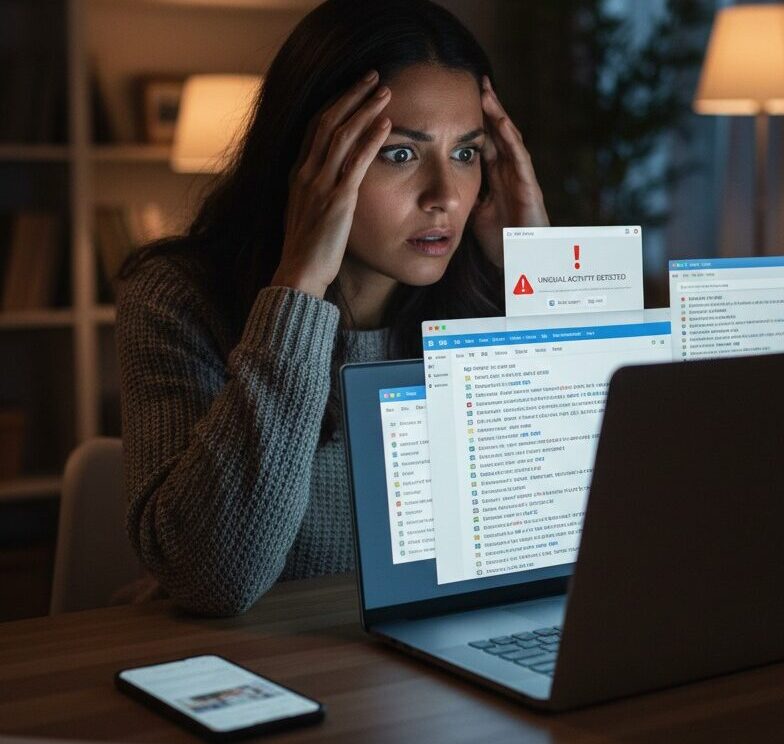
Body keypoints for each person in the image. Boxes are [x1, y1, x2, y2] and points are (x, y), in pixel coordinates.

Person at [116, 0, 548, 616]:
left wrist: (542, 267)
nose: (445, 198)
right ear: (309, 160)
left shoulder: (485, 301)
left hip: (420, 663)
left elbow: (581, 531)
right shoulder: (177, 298)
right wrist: (298, 288)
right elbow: (214, 579)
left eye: (466, 153)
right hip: (248, 666)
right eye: (400, 153)